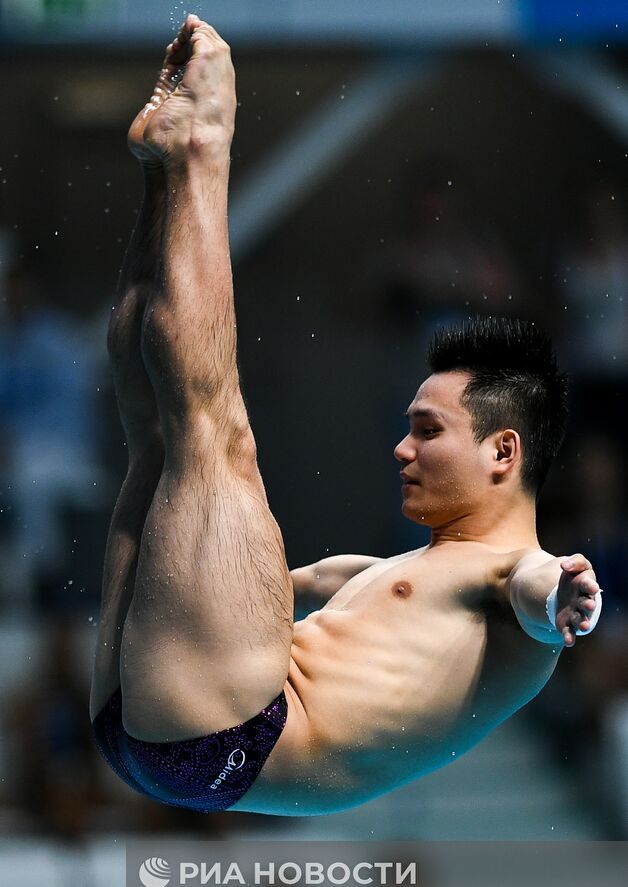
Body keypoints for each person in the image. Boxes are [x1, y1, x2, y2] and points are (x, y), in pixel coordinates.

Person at [90, 15, 602, 817]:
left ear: (504, 453)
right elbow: (328, 581)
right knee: (156, 443)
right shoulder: (415, 574)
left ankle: (204, 145)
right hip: (165, 724)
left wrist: (568, 593)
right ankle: (165, 172)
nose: (400, 448)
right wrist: (211, 580)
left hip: (231, 735)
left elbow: (536, 593)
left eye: (428, 432)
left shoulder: (509, 580)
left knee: (217, 436)